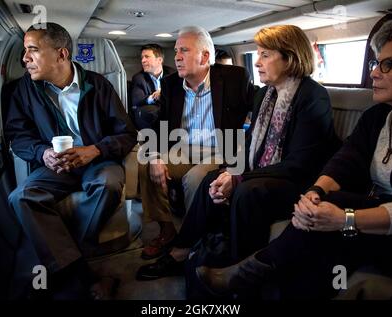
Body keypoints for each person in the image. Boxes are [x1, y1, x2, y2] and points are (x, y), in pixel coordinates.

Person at [196, 19, 392, 300]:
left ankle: (247, 274)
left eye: (389, 64)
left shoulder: (312, 96)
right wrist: (315, 192)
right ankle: (204, 253)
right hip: (366, 205)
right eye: (376, 63)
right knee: (313, 228)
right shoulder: (378, 117)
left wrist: (345, 219)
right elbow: (345, 161)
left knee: (301, 210)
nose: (374, 73)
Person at [137, 24, 338, 280]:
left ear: (290, 58)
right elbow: (251, 141)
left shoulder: (312, 96)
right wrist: (233, 170)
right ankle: (181, 248)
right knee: (212, 179)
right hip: (191, 150)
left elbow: (301, 162)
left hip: (296, 178)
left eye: (265, 55)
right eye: (257, 54)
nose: (257, 62)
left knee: (238, 187)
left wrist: (238, 176)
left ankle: (234, 266)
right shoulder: (266, 94)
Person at [5, 22, 137, 299]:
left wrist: (96, 149)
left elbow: (127, 134)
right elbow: (18, 137)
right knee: (21, 196)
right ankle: (82, 272)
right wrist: (42, 153)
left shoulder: (98, 85)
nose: (25, 58)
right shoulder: (25, 91)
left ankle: (64, 259)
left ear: (61, 55)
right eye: (24, 51)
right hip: (56, 165)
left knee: (109, 185)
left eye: (33, 50)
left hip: (97, 160)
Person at [137, 26, 254, 262]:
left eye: (184, 50)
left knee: (195, 179)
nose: (177, 57)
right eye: (176, 51)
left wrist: (241, 157)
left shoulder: (234, 78)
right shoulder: (170, 85)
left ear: (205, 57)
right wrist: (156, 155)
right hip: (183, 150)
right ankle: (167, 231)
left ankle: (196, 240)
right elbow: (162, 125)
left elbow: (257, 112)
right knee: (145, 164)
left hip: (220, 150)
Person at [131, 44, 175, 129]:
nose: (143, 60)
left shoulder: (172, 74)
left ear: (159, 60)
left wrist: (163, 93)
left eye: (147, 57)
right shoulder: (138, 78)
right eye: (142, 57)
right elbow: (137, 100)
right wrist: (154, 97)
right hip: (150, 121)